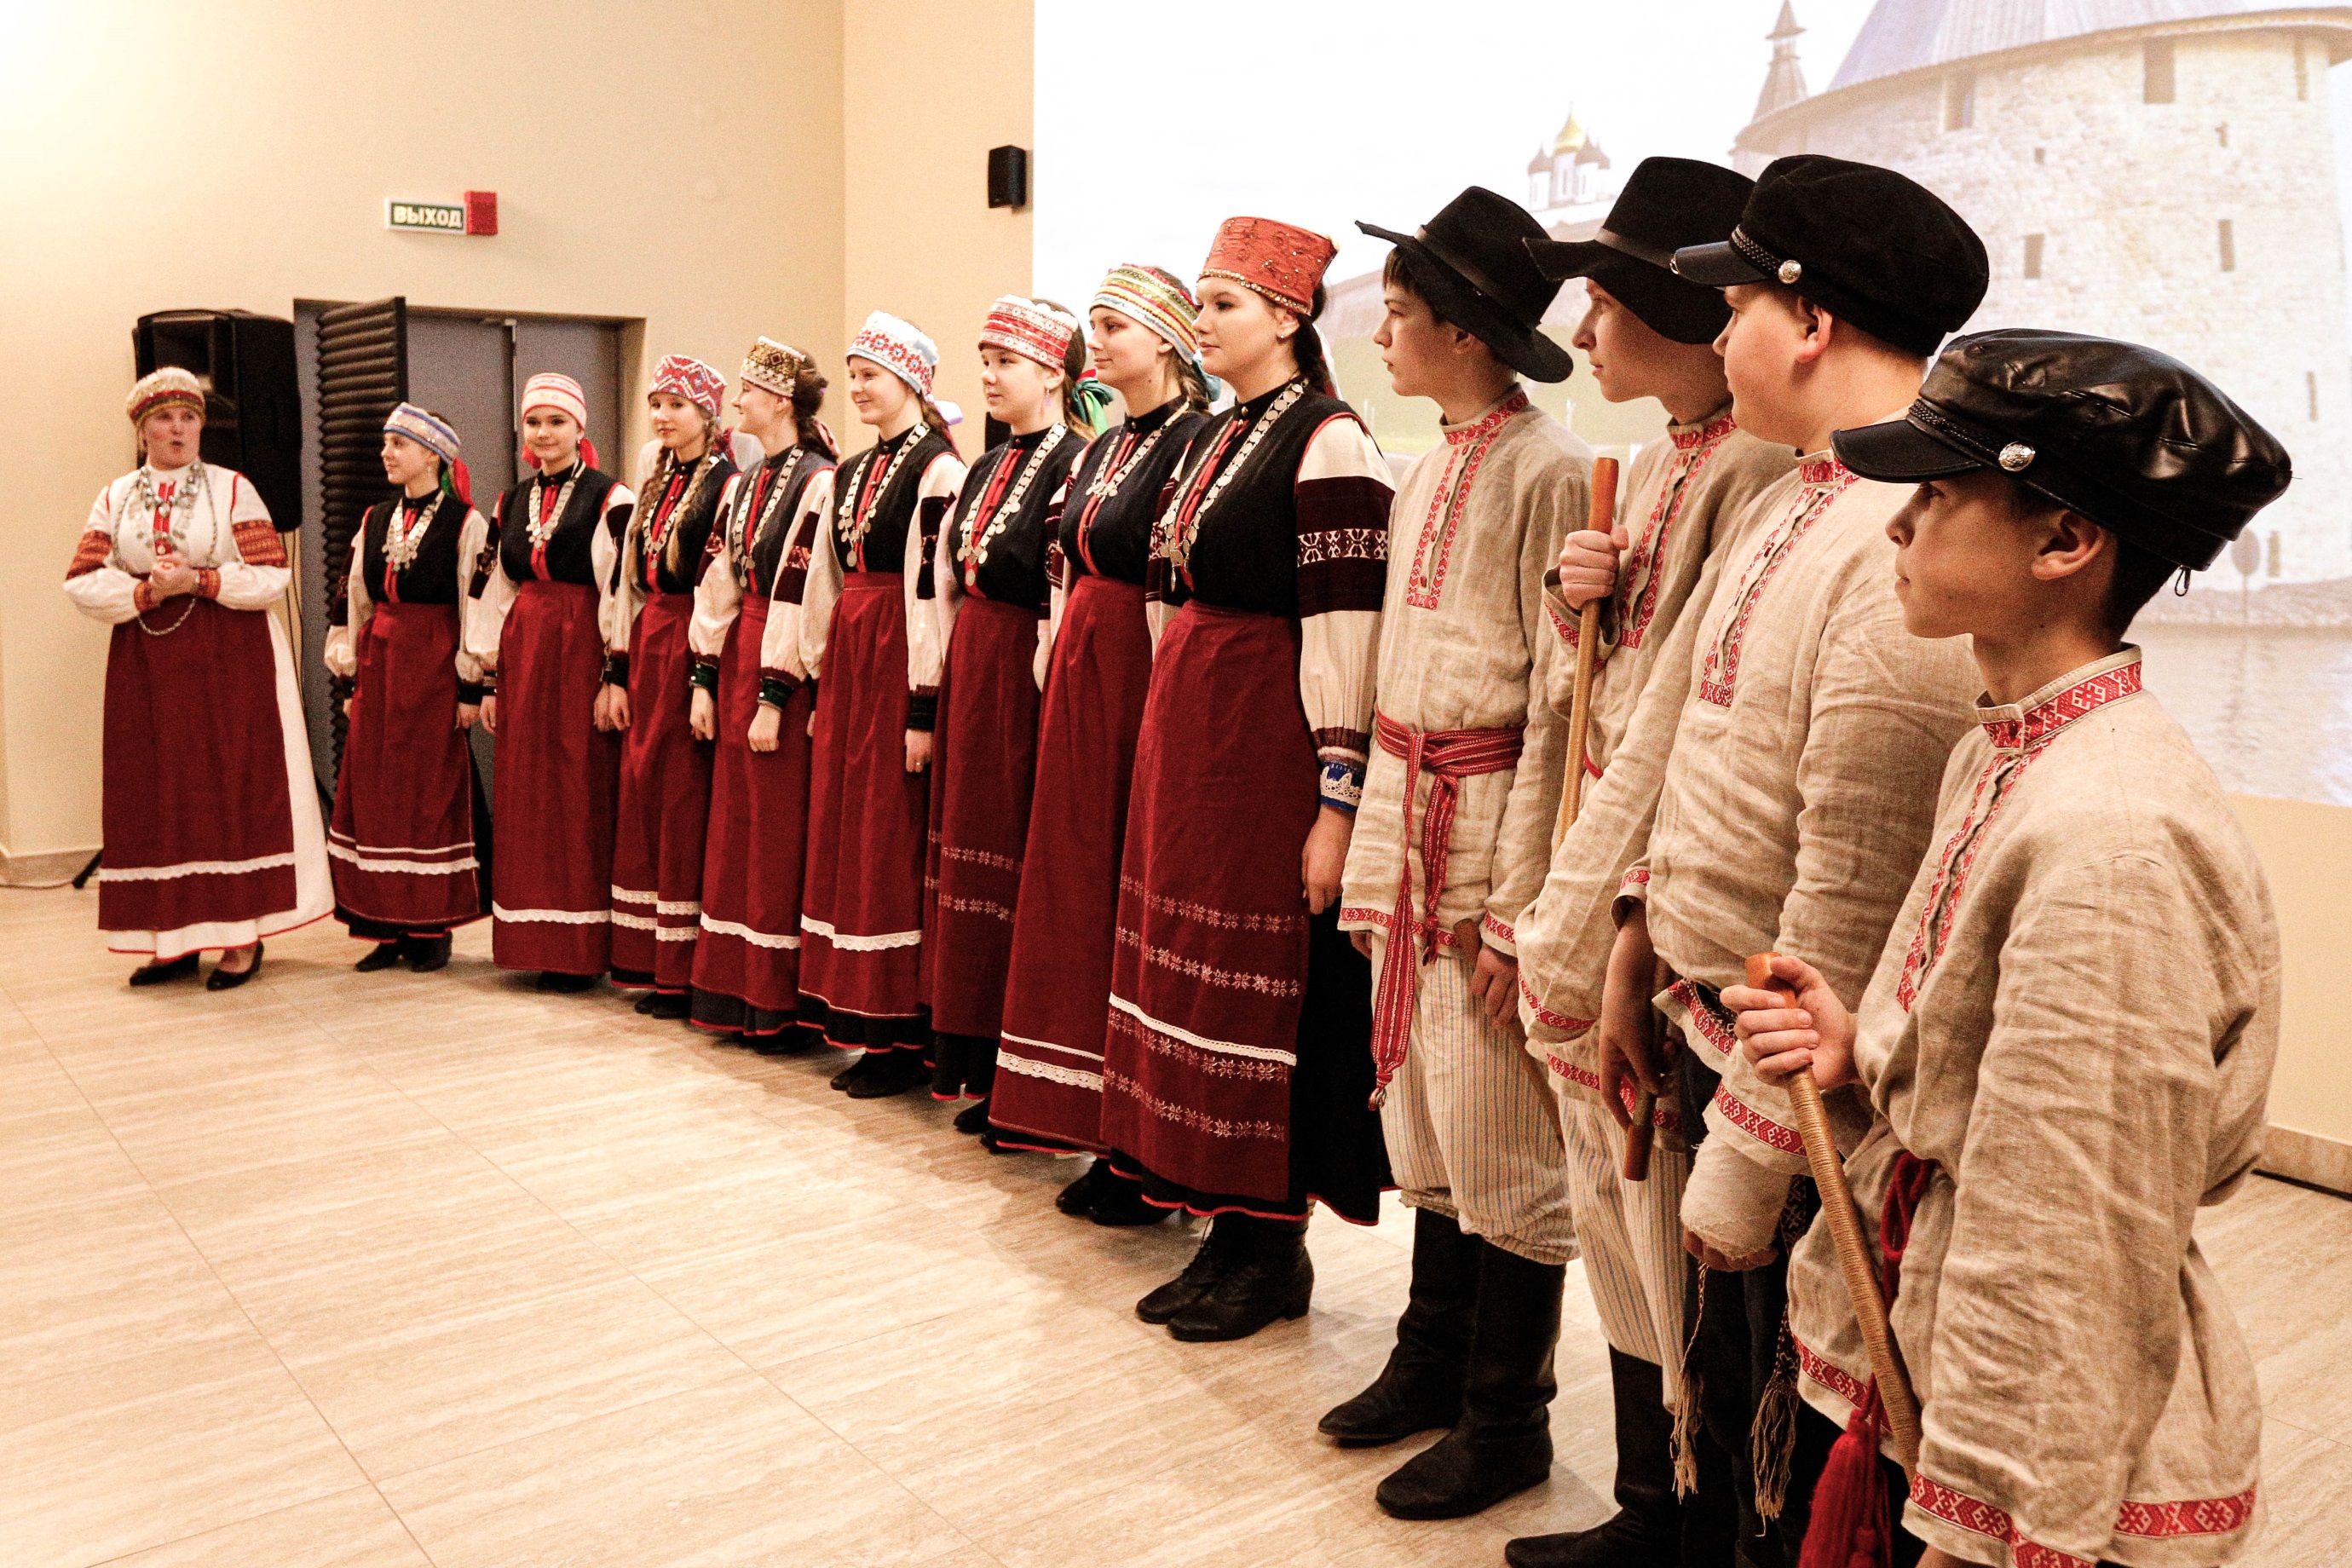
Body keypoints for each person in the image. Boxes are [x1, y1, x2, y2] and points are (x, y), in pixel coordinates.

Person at [1717, 330, 2290, 1568]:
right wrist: (1872, 1051)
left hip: (2029, 1419)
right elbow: (2000, 1089)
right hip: (1934, 1333)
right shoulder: (2008, 747)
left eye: (1935, 495)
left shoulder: (2113, 834)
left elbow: (2071, 1235)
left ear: (2065, 541)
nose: (1896, 525)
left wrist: (1996, 1523)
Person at [1525, 157, 1989, 1568]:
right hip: (1706, 1027)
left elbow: (1854, 884)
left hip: (1796, 1094)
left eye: (1734, 309)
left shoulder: (1898, 540)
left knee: (1779, 1436)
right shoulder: (1800, 496)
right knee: (1721, 1405)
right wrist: (1627, 936)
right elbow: (1680, 748)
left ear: (1812, 321)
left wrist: (1748, 1154)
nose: (1717, 337)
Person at [1500, 158, 1798, 1566]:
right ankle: (1647, 1490)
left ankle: (1680, 1502)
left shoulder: (1751, 470)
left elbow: (1691, 724)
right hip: (1606, 850)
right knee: (1620, 1199)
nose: (1580, 336)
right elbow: (1620, 685)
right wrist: (1592, 607)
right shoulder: (1678, 458)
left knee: (1660, 1196)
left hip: (1665, 883)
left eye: (1605, 307)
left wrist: (1607, 909)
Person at [1320, 186, 1588, 1521]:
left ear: (1469, 332)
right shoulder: (1425, 466)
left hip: (1484, 825)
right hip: (1408, 807)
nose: (1382, 336)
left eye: (1403, 314)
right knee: (1424, 1108)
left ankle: (1506, 1412)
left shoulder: (1549, 470)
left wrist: (1517, 906)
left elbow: (1559, 702)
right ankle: (1429, 1354)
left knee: (1500, 1126)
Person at [1098, 216, 1393, 1343]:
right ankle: (1224, 1225)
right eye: (1203, 302)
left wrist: (1337, 800)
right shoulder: (1220, 436)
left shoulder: (1330, 441)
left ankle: (1271, 1243)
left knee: (1256, 982)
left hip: (1268, 743)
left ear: (1287, 316)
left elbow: (1347, 630)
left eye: (1224, 304)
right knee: (1188, 977)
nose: (1204, 321)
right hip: (1197, 740)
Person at [990, 264, 1212, 1217]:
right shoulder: (1107, 443)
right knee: (1076, 888)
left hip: (1139, 672)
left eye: (1114, 324)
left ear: (1165, 339)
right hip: (1086, 671)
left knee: (1129, 891)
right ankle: (1090, 1119)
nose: (1100, 340)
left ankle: (1141, 1144)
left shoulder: (1195, 440)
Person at [67, 367, 331, 987]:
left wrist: (200, 580)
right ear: (142, 431)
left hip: (230, 657)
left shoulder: (232, 488)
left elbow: (272, 574)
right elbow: (80, 579)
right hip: (148, 660)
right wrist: (145, 593)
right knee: (157, 791)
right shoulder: (116, 496)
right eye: (164, 418)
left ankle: (240, 935)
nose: (178, 429)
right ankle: (174, 938)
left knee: (228, 785)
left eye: (189, 418)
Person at [924, 297, 1091, 1125]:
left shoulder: (1076, 462)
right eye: (985, 361)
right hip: (975, 662)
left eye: (1007, 362)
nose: (989, 376)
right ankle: (974, 1054)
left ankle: (1019, 1070)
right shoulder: (986, 466)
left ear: (1053, 373)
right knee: (971, 851)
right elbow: (948, 577)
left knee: (1017, 856)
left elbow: (1063, 590)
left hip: (1026, 670)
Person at [799, 312, 966, 1097]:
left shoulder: (939, 472)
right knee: (851, 832)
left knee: (889, 836)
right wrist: (815, 679)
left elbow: (934, 594)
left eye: (871, 375)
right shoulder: (852, 471)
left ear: (911, 381)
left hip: (899, 651)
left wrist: (922, 706)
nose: (859, 388)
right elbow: (824, 580)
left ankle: (899, 1033)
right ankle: (861, 1018)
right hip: (854, 656)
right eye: (854, 375)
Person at [687, 337, 838, 1046]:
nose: (737, 402)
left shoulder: (817, 481)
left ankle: (780, 1001)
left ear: (779, 402)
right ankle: (737, 990)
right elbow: (717, 579)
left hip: (785, 662)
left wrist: (775, 695)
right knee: (737, 826)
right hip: (740, 652)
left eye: (747, 390)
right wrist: (704, 679)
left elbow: (804, 592)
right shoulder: (743, 484)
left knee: (778, 829)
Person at [470, 372, 634, 991]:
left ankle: (581, 946)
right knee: (528, 789)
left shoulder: (611, 498)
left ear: (579, 427)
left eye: (557, 422)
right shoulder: (509, 502)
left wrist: (614, 673)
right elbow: (492, 589)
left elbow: (620, 590)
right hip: (526, 652)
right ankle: (534, 939)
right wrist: (490, 679)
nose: (544, 433)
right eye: (534, 422)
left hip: (580, 648)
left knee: (578, 787)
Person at [323, 403, 493, 971]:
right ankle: (384, 922)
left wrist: (471, 687)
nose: (386, 454)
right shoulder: (375, 518)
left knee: (427, 792)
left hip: (433, 665)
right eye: (386, 443)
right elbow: (353, 596)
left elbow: (476, 604)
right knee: (377, 791)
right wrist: (350, 672)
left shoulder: (467, 524)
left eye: (398, 444)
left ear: (433, 455)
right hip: (382, 664)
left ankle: (429, 928)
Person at [608, 355, 741, 1015]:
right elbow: (629, 580)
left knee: (685, 795)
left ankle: (684, 969)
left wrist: (704, 674)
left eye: (677, 406)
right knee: (645, 789)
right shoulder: (655, 479)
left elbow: (720, 585)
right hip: (651, 636)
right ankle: (647, 957)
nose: (662, 416)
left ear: (707, 415)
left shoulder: (725, 484)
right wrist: (616, 669)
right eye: (656, 404)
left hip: (692, 636)